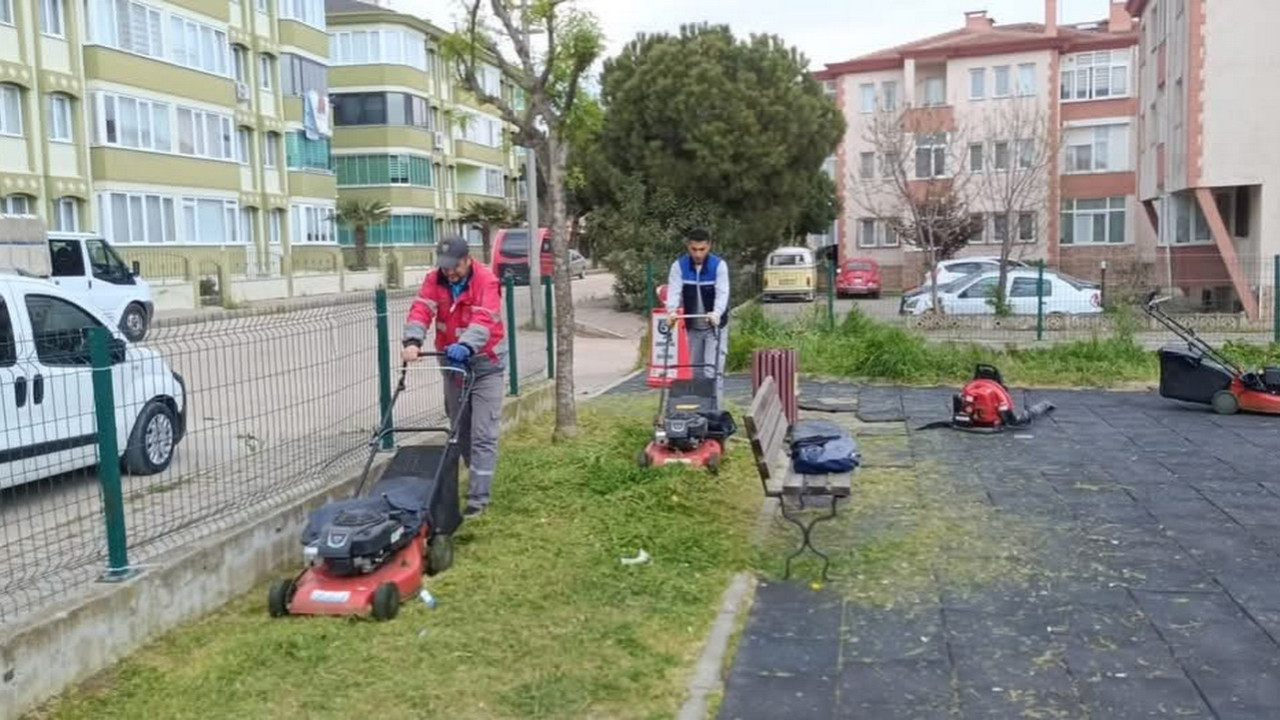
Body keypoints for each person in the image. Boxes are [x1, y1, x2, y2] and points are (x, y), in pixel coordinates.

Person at [402, 236, 506, 517]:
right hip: (453, 365)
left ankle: (478, 500)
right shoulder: (434, 280)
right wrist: (412, 341)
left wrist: (467, 344)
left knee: (483, 432)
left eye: (455, 266)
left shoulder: (486, 280)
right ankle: (475, 475)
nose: (449, 272)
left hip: (486, 364)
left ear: (468, 259)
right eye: (445, 267)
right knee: (461, 430)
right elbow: (422, 309)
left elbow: (485, 318)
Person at [664, 228, 730, 406]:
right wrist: (671, 311)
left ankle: (715, 412)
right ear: (688, 247)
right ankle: (699, 410)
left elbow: (722, 293)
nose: (698, 254)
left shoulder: (719, 266)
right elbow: (674, 292)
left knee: (713, 371)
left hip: (714, 327)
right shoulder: (679, 266)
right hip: (693, 326)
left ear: (709, 246)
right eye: (694, 249)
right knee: (696, 372)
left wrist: (716, 313)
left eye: (702, 249)